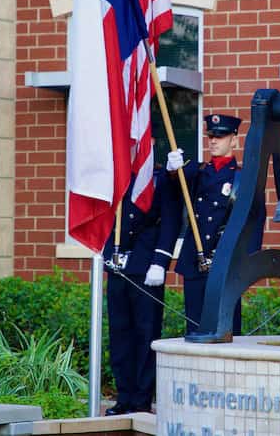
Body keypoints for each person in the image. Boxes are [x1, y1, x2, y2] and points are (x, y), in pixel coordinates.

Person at [165, 113, 262, 336]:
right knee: (195, 329)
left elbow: (255, 221)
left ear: (234, 140)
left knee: (226, 330)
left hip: (226, 264)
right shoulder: (198, 173)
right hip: (196, 261)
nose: (214, 141)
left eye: (221, 136)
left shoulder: (244, 178)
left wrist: (247, 263)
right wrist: (172, 171)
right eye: (211, 137)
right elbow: (172, 190)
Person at [102, 167, 179, 416]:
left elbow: (170, 219)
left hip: (146, 267)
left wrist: (160, 261)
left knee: (146, 335)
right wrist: (104, 252)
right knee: (119, 335)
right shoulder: (116, 173)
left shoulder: (158, 177)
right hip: (118, 264)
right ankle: (124, 396)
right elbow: (104, 215)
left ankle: (142, 400)